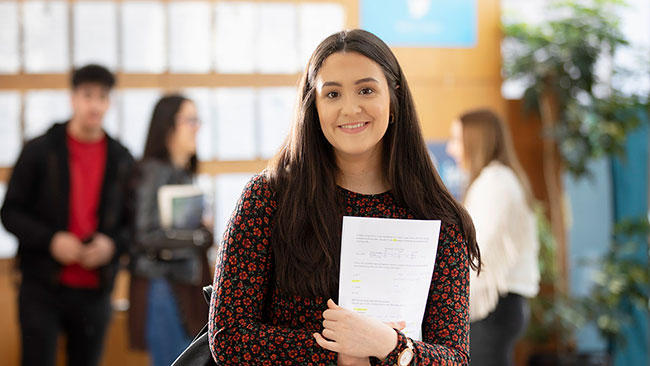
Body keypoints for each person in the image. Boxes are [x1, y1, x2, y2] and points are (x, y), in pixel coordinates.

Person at [208, 29, 481, 366]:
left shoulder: (436, 216)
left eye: (366, 90)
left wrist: (390, 346)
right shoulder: (268, 198)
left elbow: (454, 357)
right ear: (314, 106)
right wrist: (337, 354)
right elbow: (228, 337)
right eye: (332, 94)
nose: (350, 108)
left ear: (394, 99)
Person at [0, 64, 135, 366]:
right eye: (87, 95)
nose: (95, 104)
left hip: (96, 290)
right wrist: (51, 241)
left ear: (109, 102)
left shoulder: (122, 158)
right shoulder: (39, 150)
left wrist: (111, 246)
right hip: (41, 287)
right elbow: (10, 212)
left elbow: (135, 224)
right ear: (73, 98)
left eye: (102, 96)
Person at [446, 109, 540, 366]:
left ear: (476, 141)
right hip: (498, 306)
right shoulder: (497, 179)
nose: (452, 149)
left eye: (457, 139)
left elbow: (479, 251)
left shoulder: (495, 182)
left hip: (494, 307)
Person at [128, 95, 213, 366]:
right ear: (168, 126)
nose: (196, 127)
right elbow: (145, 235)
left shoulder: (183, 172)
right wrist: (200, 236)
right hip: (162, 284)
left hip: (183, 285)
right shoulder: (154, 171)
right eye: (190, 120)